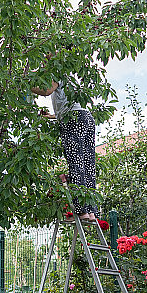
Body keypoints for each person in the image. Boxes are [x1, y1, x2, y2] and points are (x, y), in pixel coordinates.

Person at [32, 78, 98, 222]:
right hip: (86, 117)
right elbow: (70, 105)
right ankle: (91, 211)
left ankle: (81, 211)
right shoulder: (69, 75)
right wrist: (51, 116)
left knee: (76, 164)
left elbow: (47, 91)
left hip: (73, 120)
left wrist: (25, 83)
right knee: (88, 165)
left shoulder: (56, 71)